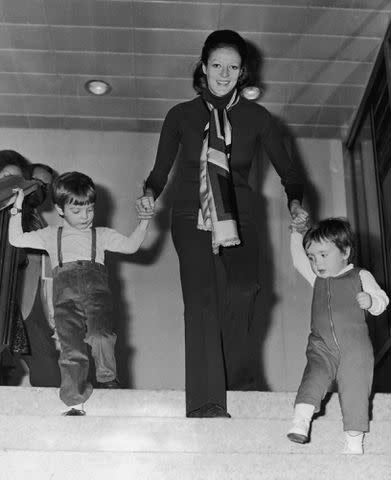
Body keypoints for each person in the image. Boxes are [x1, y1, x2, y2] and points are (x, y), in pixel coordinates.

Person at [136, 29, 308, 418]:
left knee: (244, 290)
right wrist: (149, 193)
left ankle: (237, 380)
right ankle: (207, 402)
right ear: (203, 67)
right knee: (201, 302)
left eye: (233, 67)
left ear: (243, 71)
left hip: (241, 213)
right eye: (217, 65)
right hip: (188, 212)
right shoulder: (181, 115)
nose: (224, 73)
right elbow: (159, 172)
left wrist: (295, 202)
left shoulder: (258, 118)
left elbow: (291, 174)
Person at [9, 171, 152, 415]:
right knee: (71, 350)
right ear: (60, 209)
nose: (85, 217)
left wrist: (145, 220)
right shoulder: (51, 235)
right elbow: (16, 239)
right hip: (65, 302)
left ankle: (108, 378)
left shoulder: (102, 235)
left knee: (101, 336)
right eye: (77, 211)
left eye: (90, 209)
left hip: (97, 297)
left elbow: (131, 245)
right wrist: (17, 207)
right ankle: (75, 403)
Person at [288, 217, 389, 454]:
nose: (316, 263)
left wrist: (371, 301)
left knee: (355, 392)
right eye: (312, 257)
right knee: (313, 378)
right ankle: (300, 423)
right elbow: (297, 259)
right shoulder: (318, 279)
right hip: (321, 345)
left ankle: (354, 444)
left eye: (323, 255)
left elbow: (382, 300)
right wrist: (295, 233)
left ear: (346, 251)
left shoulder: (360, 276)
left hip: (355, 348)